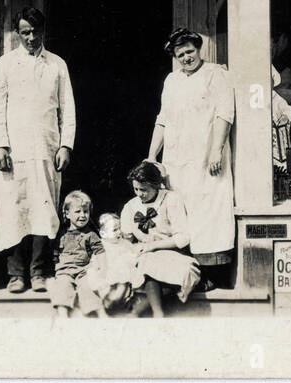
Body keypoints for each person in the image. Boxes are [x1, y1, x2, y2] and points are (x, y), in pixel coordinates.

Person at [0, 6, 76, 294]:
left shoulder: (57, 65)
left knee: (43, 208)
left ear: (43, 31)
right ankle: (16, 274)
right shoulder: (4, 65)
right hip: (13, 152)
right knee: (13, 209)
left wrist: (65, 145)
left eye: (35, 32)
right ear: (17, 33)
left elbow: (68, 109)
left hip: (46, 148)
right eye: (25, 32)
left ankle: (39, 272)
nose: (31, 38)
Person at [147, 27, 235, 288]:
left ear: (199, 49)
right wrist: (152, 155)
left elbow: (224, 113)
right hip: (177, 160)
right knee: (181, 213)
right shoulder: (171, 81)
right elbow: (163, 119)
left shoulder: (216, 75)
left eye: (190, 51)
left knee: (208, 214)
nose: (186, 57)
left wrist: (216, 149)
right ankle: (183, 274)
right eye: (180, 54)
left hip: (207, 159)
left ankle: (212, 277)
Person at [121, 161, 202, 315]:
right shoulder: (130, 206)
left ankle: (143, 309)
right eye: (136, 189)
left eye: (144, 190)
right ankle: (158, 314)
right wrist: (132, 247)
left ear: (156, 185)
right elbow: (126, 239)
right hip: (143, 254)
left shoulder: (171, 200)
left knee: (185, 272)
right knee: (146, 263)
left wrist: (154, 246)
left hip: (171, 252)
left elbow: (183, 237)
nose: (139, 194)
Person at [48, 190, 103, 318]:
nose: (83, 215)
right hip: (64, 271)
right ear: (67, 213)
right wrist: (55, 267)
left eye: (86, 211)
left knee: (87, 287)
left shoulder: (91, 235)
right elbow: (55, 253)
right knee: (62, 286)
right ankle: (63, 314)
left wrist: (100, 268)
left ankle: (99, 313)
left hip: (84, 270)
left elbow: (100, 252)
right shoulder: (61, 233)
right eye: (78, 212)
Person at [83, 212, 146, 315]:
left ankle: (124, 298)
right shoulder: (100, 246)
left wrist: (135, 254)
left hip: (123, 274)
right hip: (107, 273)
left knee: (124, 285)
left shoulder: (124, 243)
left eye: (119, 228)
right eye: (114, 230)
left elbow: (132, 253)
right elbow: (96, 259)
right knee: (99, 283)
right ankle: (107, 300)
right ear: (103, 234)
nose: (119, 232)